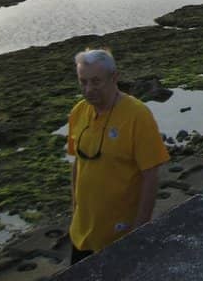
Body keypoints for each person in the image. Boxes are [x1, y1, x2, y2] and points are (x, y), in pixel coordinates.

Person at [67, 49, 170, 265]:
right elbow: (78, 162)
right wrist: (75, 207)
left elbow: (150, 175)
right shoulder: (78, 112)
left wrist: (139, 229)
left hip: (118, 235)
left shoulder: (137, 115)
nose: (89, 89)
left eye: (96, 81)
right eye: (83, 82)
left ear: (114, 77)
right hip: (82, 233)